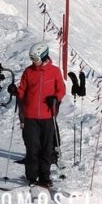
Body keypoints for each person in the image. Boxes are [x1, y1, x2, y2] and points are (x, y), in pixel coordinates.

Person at [16, 43, 66, 189]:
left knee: (46, 148)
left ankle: (45, 177)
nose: (33, 61)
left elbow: (61, 90)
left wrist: (55, 98)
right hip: (30, 117)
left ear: (43, 56)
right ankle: (32, 176)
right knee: (32, 148)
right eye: (31, 58)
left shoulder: (55, 72)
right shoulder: (28, 72)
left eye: (35, 58)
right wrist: (15, 91)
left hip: (47, 116)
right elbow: (22, 90)